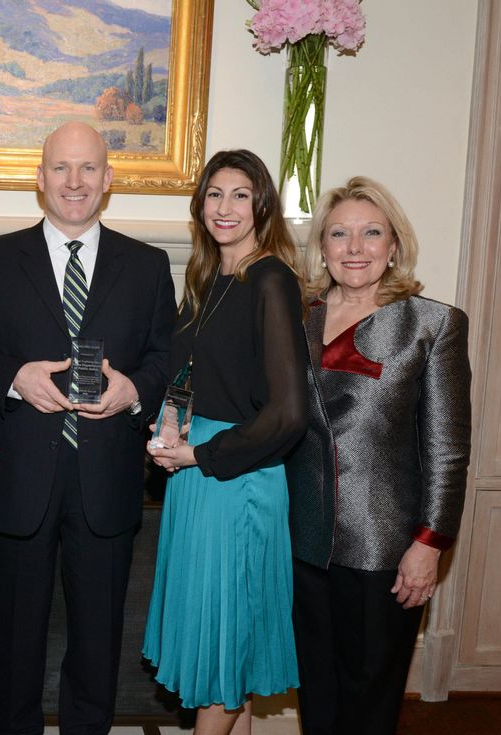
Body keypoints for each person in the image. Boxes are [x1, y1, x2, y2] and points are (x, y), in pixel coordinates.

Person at [0, 122, 176, 734]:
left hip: (106, 482)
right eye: (61, 168)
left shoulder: (148, 264)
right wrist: (12, 376)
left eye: (88, 169)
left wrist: (136, 390)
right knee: (15, 643)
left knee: (98, 642)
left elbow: (165, 356)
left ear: (108, 180)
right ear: (40, 178)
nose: (74, 182)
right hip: (18, 481)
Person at [286, 177, 471, 735]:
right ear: (322, 246)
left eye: (371, 233)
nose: (355, 247)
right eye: (339, 234)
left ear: (394, 245)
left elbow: (449, 447)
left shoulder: (433, 324)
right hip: (300, 541)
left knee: (369, 699)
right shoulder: (296, 319)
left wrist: (429, 544)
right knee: (316, 689)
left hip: (384, 549)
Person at [142, 149, 307, 735]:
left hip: (235, 480)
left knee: (223, 656)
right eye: (215, 194)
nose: (226, 207)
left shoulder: (271, 279)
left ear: (262, 204)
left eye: (241, 194)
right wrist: (169, 422)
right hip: (198, 478)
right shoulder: (210, 278)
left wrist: (199, 454)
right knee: (219, 648)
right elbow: (197, 376)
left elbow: (289, 413)